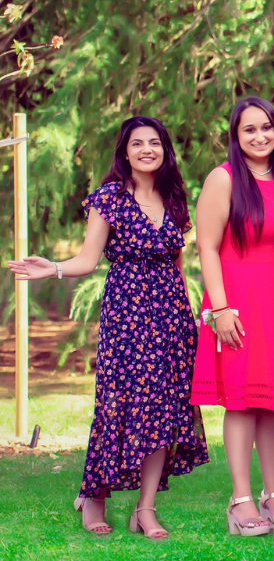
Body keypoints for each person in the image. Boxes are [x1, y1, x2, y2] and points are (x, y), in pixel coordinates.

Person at [9, 117, 209, 540]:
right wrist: (54, 268)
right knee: (117, 405)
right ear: (125, 152)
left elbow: (177, 261)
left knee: (164, 408)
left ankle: (146, 509)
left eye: (154, 143)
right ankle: (94, 496)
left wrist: (189, 314)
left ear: (164, 149)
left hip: (170, 315)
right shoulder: (110, 197)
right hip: (127, 313)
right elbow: (88, 259)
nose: (147, 150)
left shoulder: (175, 198)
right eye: (137, 144)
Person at [192, 97, 274, 536]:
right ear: (236, 137)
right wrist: (219, 309)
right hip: (235, 300)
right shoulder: (223, 180)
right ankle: (240, 499)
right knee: (240, 399)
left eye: (267, 127)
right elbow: (207, 248)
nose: (260, 136)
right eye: (249, 130)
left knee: (272, 401)